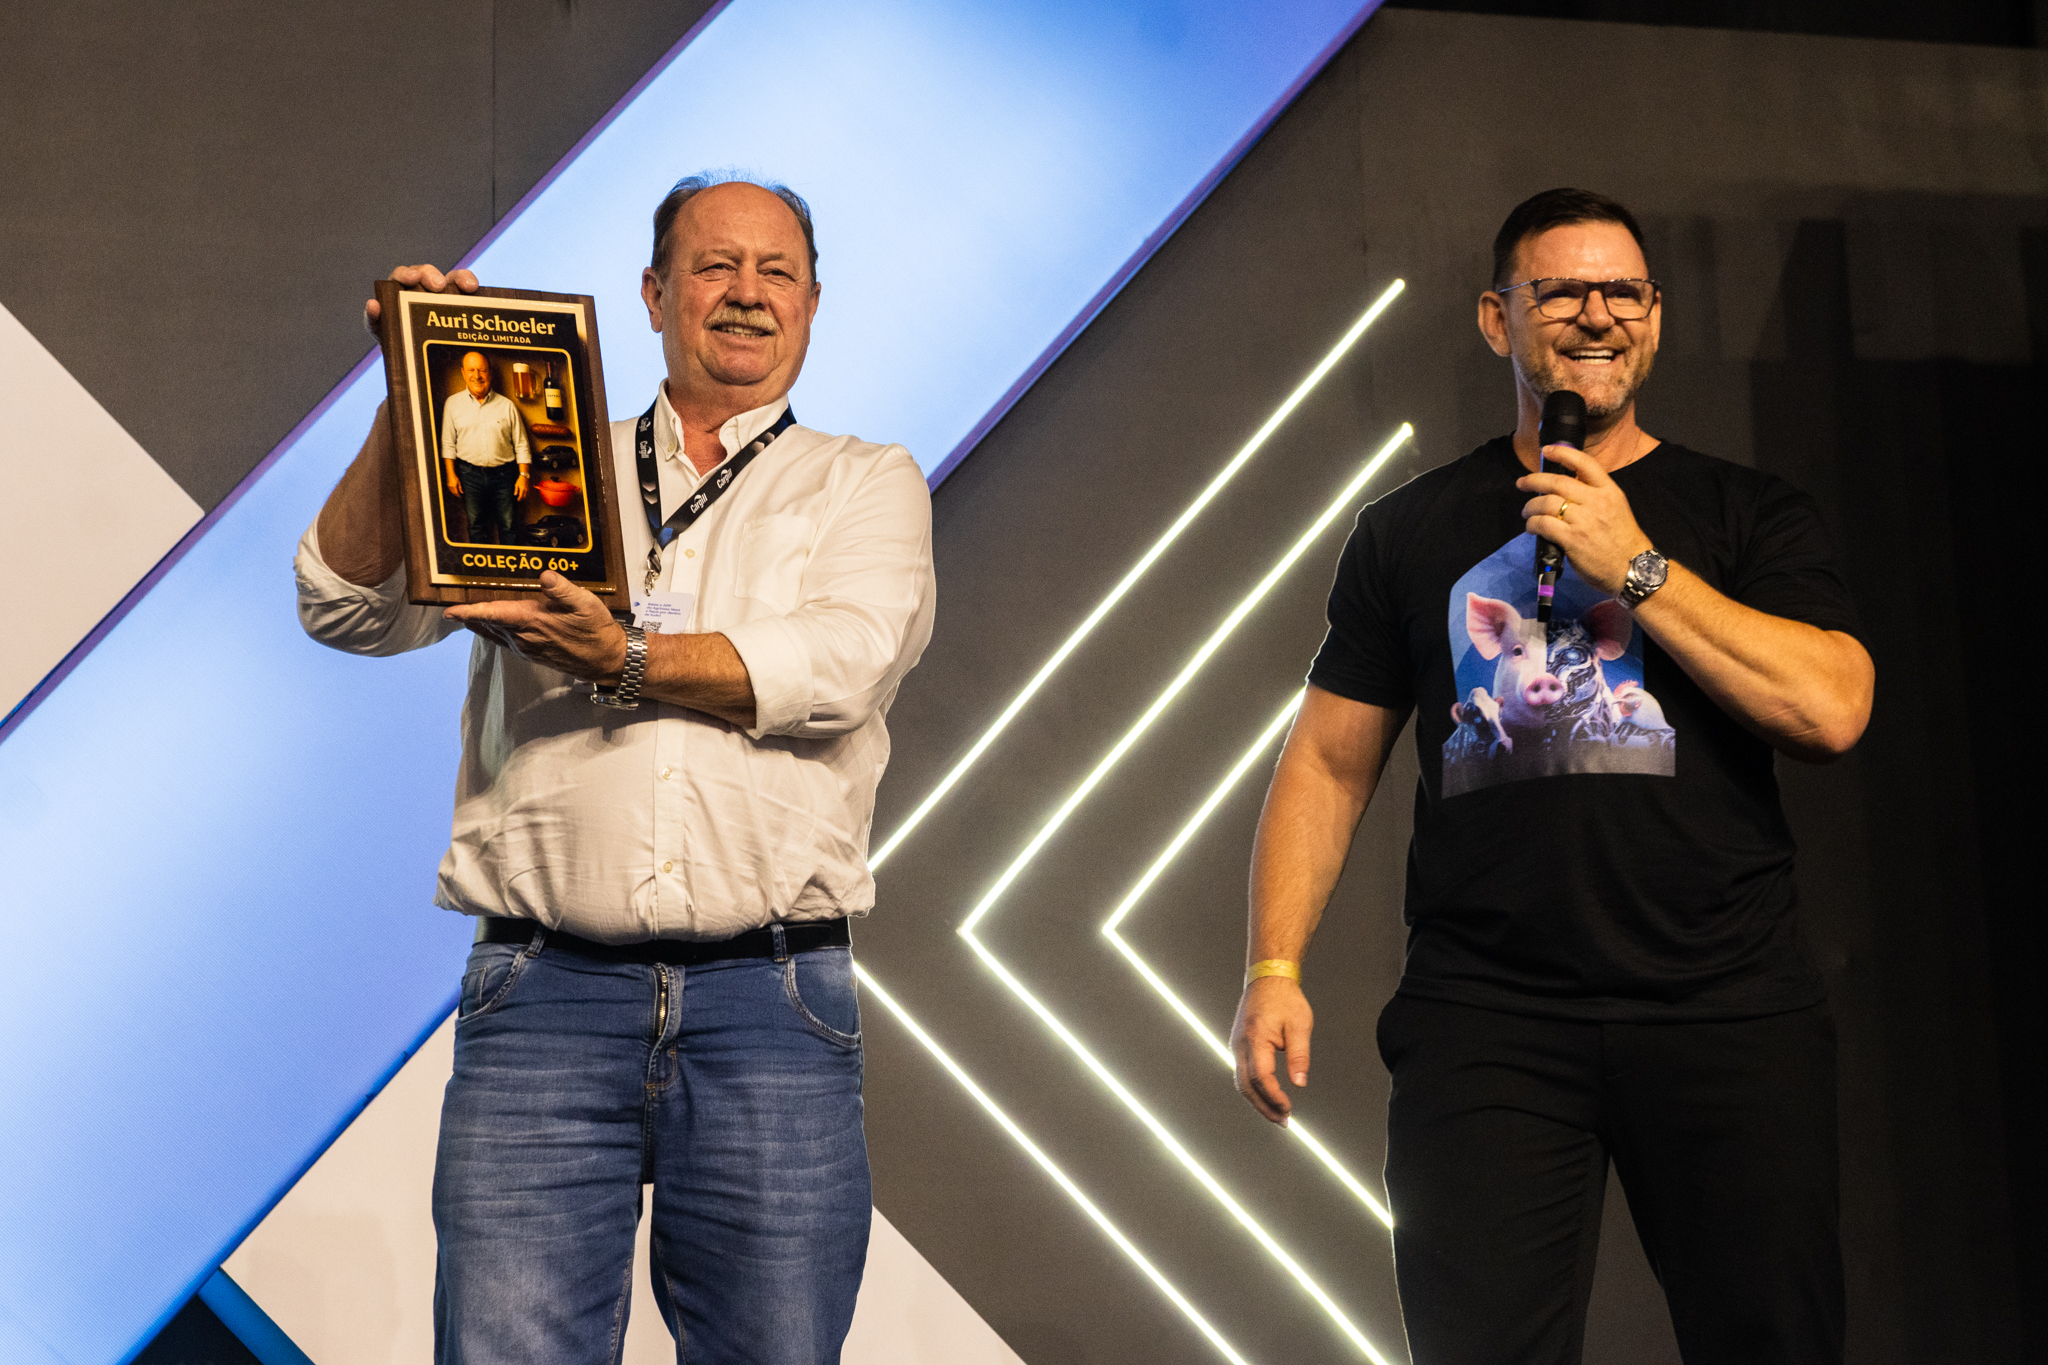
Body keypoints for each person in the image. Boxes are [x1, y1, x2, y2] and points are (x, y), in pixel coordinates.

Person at [297, 173, 936, 1363]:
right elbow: (346, 607)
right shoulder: (545, 469)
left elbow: (838, 667)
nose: (745, 293)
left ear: (810, 302)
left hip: (771, 1000)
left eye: (776, 272)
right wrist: (410, 397)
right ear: (652, 293)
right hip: (544, 992)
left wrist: (625, 658)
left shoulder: (862, 481)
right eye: (713, 265)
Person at [1229, 188, 1874, 1365]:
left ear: (1653, 318)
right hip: (1488, 1022)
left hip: (1725, 1011)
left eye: (1621, 291)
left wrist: (1633, 565)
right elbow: (1325, 760)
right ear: (1496, 319)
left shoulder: (1744, 513)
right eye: (1560, 291)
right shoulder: (1406, 530)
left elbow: (1829, 709)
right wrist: (1273, 967)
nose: (1595, 314)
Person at [440, 349, 531, 543]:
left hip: (504, 476)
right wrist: (451, 475)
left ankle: (511, 563)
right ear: (463, 372)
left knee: (509, 526)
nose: (477, 375)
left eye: (482, 370)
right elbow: (448, 443)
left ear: (489, 373)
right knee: (476, 526)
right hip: (469, 476)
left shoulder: (507, 406)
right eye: (471, 370)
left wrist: (523, 476)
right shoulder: (453, 404)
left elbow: (521, 444)